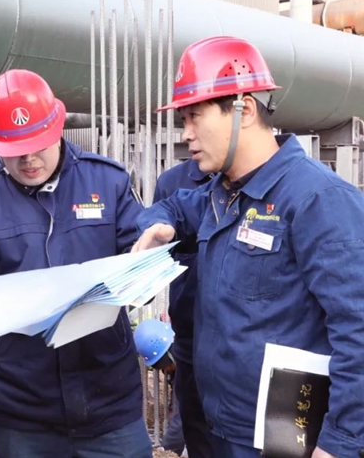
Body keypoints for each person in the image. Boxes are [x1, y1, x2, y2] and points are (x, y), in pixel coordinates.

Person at [133, 36, 364, 458]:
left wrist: (339, 441)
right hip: (220, 426)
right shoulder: (223, 194)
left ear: (245, 109)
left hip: (282, 438)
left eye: (194, 117)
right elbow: (174, 206)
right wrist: (158, 225)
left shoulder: (317, 200)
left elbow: (358, 326)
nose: (186, 135)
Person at [0, 69, 152, 458]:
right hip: (23, 405)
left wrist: (140, 272)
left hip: (107, 396)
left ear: (57, 128)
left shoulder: (106, 182)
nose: (28, 159)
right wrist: (31, 304)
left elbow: (139, 259)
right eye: (14, 149)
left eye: (37, 145)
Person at [153, 159, 214, 458]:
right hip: (189, 338)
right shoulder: (172, 183)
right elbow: (159, 249)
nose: (188, 136)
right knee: (194, 423)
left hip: (244, 346)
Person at [133, 319, 183, 455]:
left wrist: (164, 451)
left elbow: (182, 419)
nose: (163, 371)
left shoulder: (189, 372)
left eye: (162, 366)